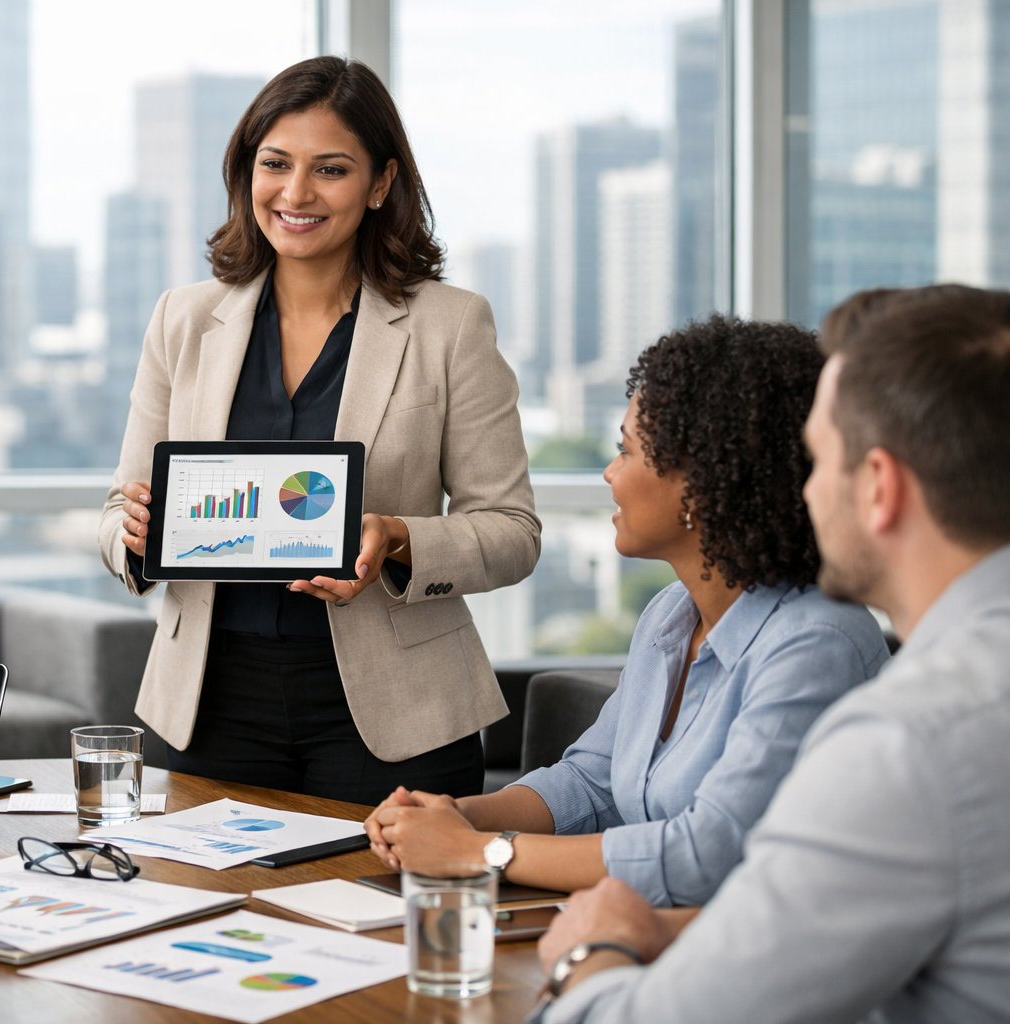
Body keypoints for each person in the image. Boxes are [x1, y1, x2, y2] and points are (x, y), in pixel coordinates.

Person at [530, 284, 1010, 1022]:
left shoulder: (907, 743)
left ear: (878, 487)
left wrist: (590, 954)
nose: (800, 492)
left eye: (816, 461)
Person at [98, 56, 541, 804]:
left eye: (330, 169)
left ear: (379, 184)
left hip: (397, 707)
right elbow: (119, 511)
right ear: (246, 174)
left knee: (374, 918)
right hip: (209, 698)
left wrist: (399, 536)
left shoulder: (450, 325)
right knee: (207, 918)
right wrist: (133, 533)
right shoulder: (183, 318)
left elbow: (513, 530)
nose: (296, 193)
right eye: (275, 164)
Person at [366, 316, 890, 905]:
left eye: (626, 450)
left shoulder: (816, 641)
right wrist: (456, 816)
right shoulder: (672, 614)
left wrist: (478, 853)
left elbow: (706, 856)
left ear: (704, 482)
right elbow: (592, 784)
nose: (610, 473)